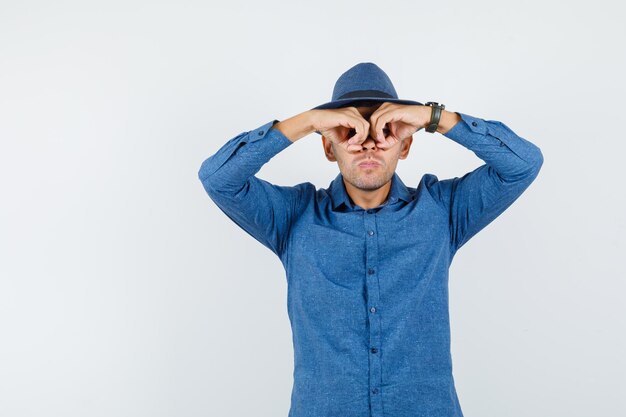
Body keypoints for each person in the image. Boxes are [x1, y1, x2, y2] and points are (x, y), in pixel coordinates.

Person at [197, 62, 544, 417]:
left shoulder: (443, 210)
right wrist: (310, 121)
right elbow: (218, 178)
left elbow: (523, 164)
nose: (368, 145)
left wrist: (432, 116)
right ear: (329, 149)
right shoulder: (293, 217)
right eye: (349, 132)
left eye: (385, 131)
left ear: (405, 146)